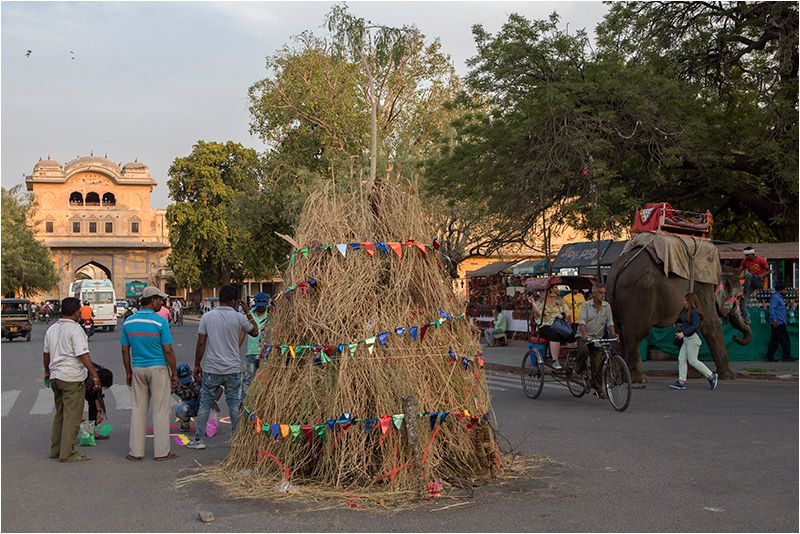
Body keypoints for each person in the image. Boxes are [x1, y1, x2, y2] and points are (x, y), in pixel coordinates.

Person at [187, 285, 258, 450]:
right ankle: (237, 439)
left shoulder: (207, 317)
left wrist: (197, 364)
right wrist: (247, 311)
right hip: (233, 368)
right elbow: (255, 332)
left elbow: (201, 343)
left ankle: (198, 439)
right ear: (234, 300)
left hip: (212, 368)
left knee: (205, 403)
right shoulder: (239, 318)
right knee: (234, 404)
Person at [120, 286, 179, 461]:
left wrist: (128, 372)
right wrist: (174, 372)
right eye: (159, 299)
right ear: (152, 300)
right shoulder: (160, 322)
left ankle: (135, 452)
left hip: (138, 368)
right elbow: (168, 350)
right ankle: (161, 452)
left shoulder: (128, 322)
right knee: (160, 410)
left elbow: (125, 350)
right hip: (158, 368)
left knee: (138, 410)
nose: (161, 303)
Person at [43, 297, 102, 462]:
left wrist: (47, 372)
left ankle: (55, 449)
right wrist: (95, 375)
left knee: (60, 414)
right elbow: (82, 354)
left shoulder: (52, 329)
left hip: (55, 377)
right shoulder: (76, 329)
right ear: (77, 311)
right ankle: (67, 453)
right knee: (72, 416)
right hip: (71, 378)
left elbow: (46, 354)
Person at [669, 293, 718, 390]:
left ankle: (711, 376)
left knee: (692, 360)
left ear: (690, 301)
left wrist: (684, 333)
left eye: (686, 300)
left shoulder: (694, 312)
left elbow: (695, 326)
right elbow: (685, 322)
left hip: (693, 339)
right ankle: (681, 381)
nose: (684, 302)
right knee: (681, 358)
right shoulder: (686, 311)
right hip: (687, 339)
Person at [577, 284, 617, 391]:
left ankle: (598, 389)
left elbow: (609, 322)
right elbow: (581, 322)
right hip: (584, 336)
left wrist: (613, 334)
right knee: (584, 351)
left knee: (598, 363)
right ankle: (578, 371)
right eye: (600, 293)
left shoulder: (606, 306)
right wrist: (584, 334)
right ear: (594, 294)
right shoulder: (586, 305)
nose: (603, 295)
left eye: (604, 293)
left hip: (597, 339)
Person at [530, 287, 573, 370]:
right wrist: (533, 303)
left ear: (548, 291)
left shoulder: (558, 300)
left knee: (570, 335)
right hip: (544, 326)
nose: (541, 292)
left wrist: (563, 315)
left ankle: (572, 360)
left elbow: (567, 312)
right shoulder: (538, 303)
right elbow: (538, 313)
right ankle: (555, 361)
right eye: (540, 291)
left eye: (543, 290)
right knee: (554, 335)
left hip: (558, 324)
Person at [241, 293, 271, 400]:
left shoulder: (272, 315)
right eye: (259, 303)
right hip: (251, 353)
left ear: (267, 303)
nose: (261, 306)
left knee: (265, 380)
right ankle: (244, 403)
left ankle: (262, 402)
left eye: (263, 303)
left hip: (266, 354)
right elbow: (242, 334)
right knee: (247, 379)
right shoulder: (249, 316)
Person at [738, 246, 770, 320]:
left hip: (759, 281)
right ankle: (745, 317)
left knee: (748, 275)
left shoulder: (761, 260)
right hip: (751, 283)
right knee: (743, 300)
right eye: (745, 255)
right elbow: (739, 271)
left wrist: (761, 276)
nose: (746, 257)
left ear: (752, 254)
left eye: (747, 255)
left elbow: (769, 271)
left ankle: (745, 293)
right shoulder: (745, 261)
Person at [85, 361, 113, 439]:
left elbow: (97, 395)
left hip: (89, 385)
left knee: (93, 403)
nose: (98, 388)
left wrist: (98, 412)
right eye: (99, 385)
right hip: (78, 382)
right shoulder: (87, 374)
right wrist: (82, 421)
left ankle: (92, 431)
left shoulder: (100, 373)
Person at [765, 283, 792, 362]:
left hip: (779, 322)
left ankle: (770, 357)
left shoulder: (778, 297)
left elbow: (778, 308)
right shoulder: (776, 297)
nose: (786, 291)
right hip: (778, 323)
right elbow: (772, 309)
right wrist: (774, 320)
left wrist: (786, 304)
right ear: (780, 290)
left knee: (775, 340)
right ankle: (787, 357)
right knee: (785, 340)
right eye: (784, 290)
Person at [173, 363, 200, 432]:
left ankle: (204, 424)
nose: (186, 382)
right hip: (188, 405)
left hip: (200, 404)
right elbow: (165, 393)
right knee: (180, 409)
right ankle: (186, 421)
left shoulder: (197, 379)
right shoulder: (176, 384)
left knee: (209, 403)